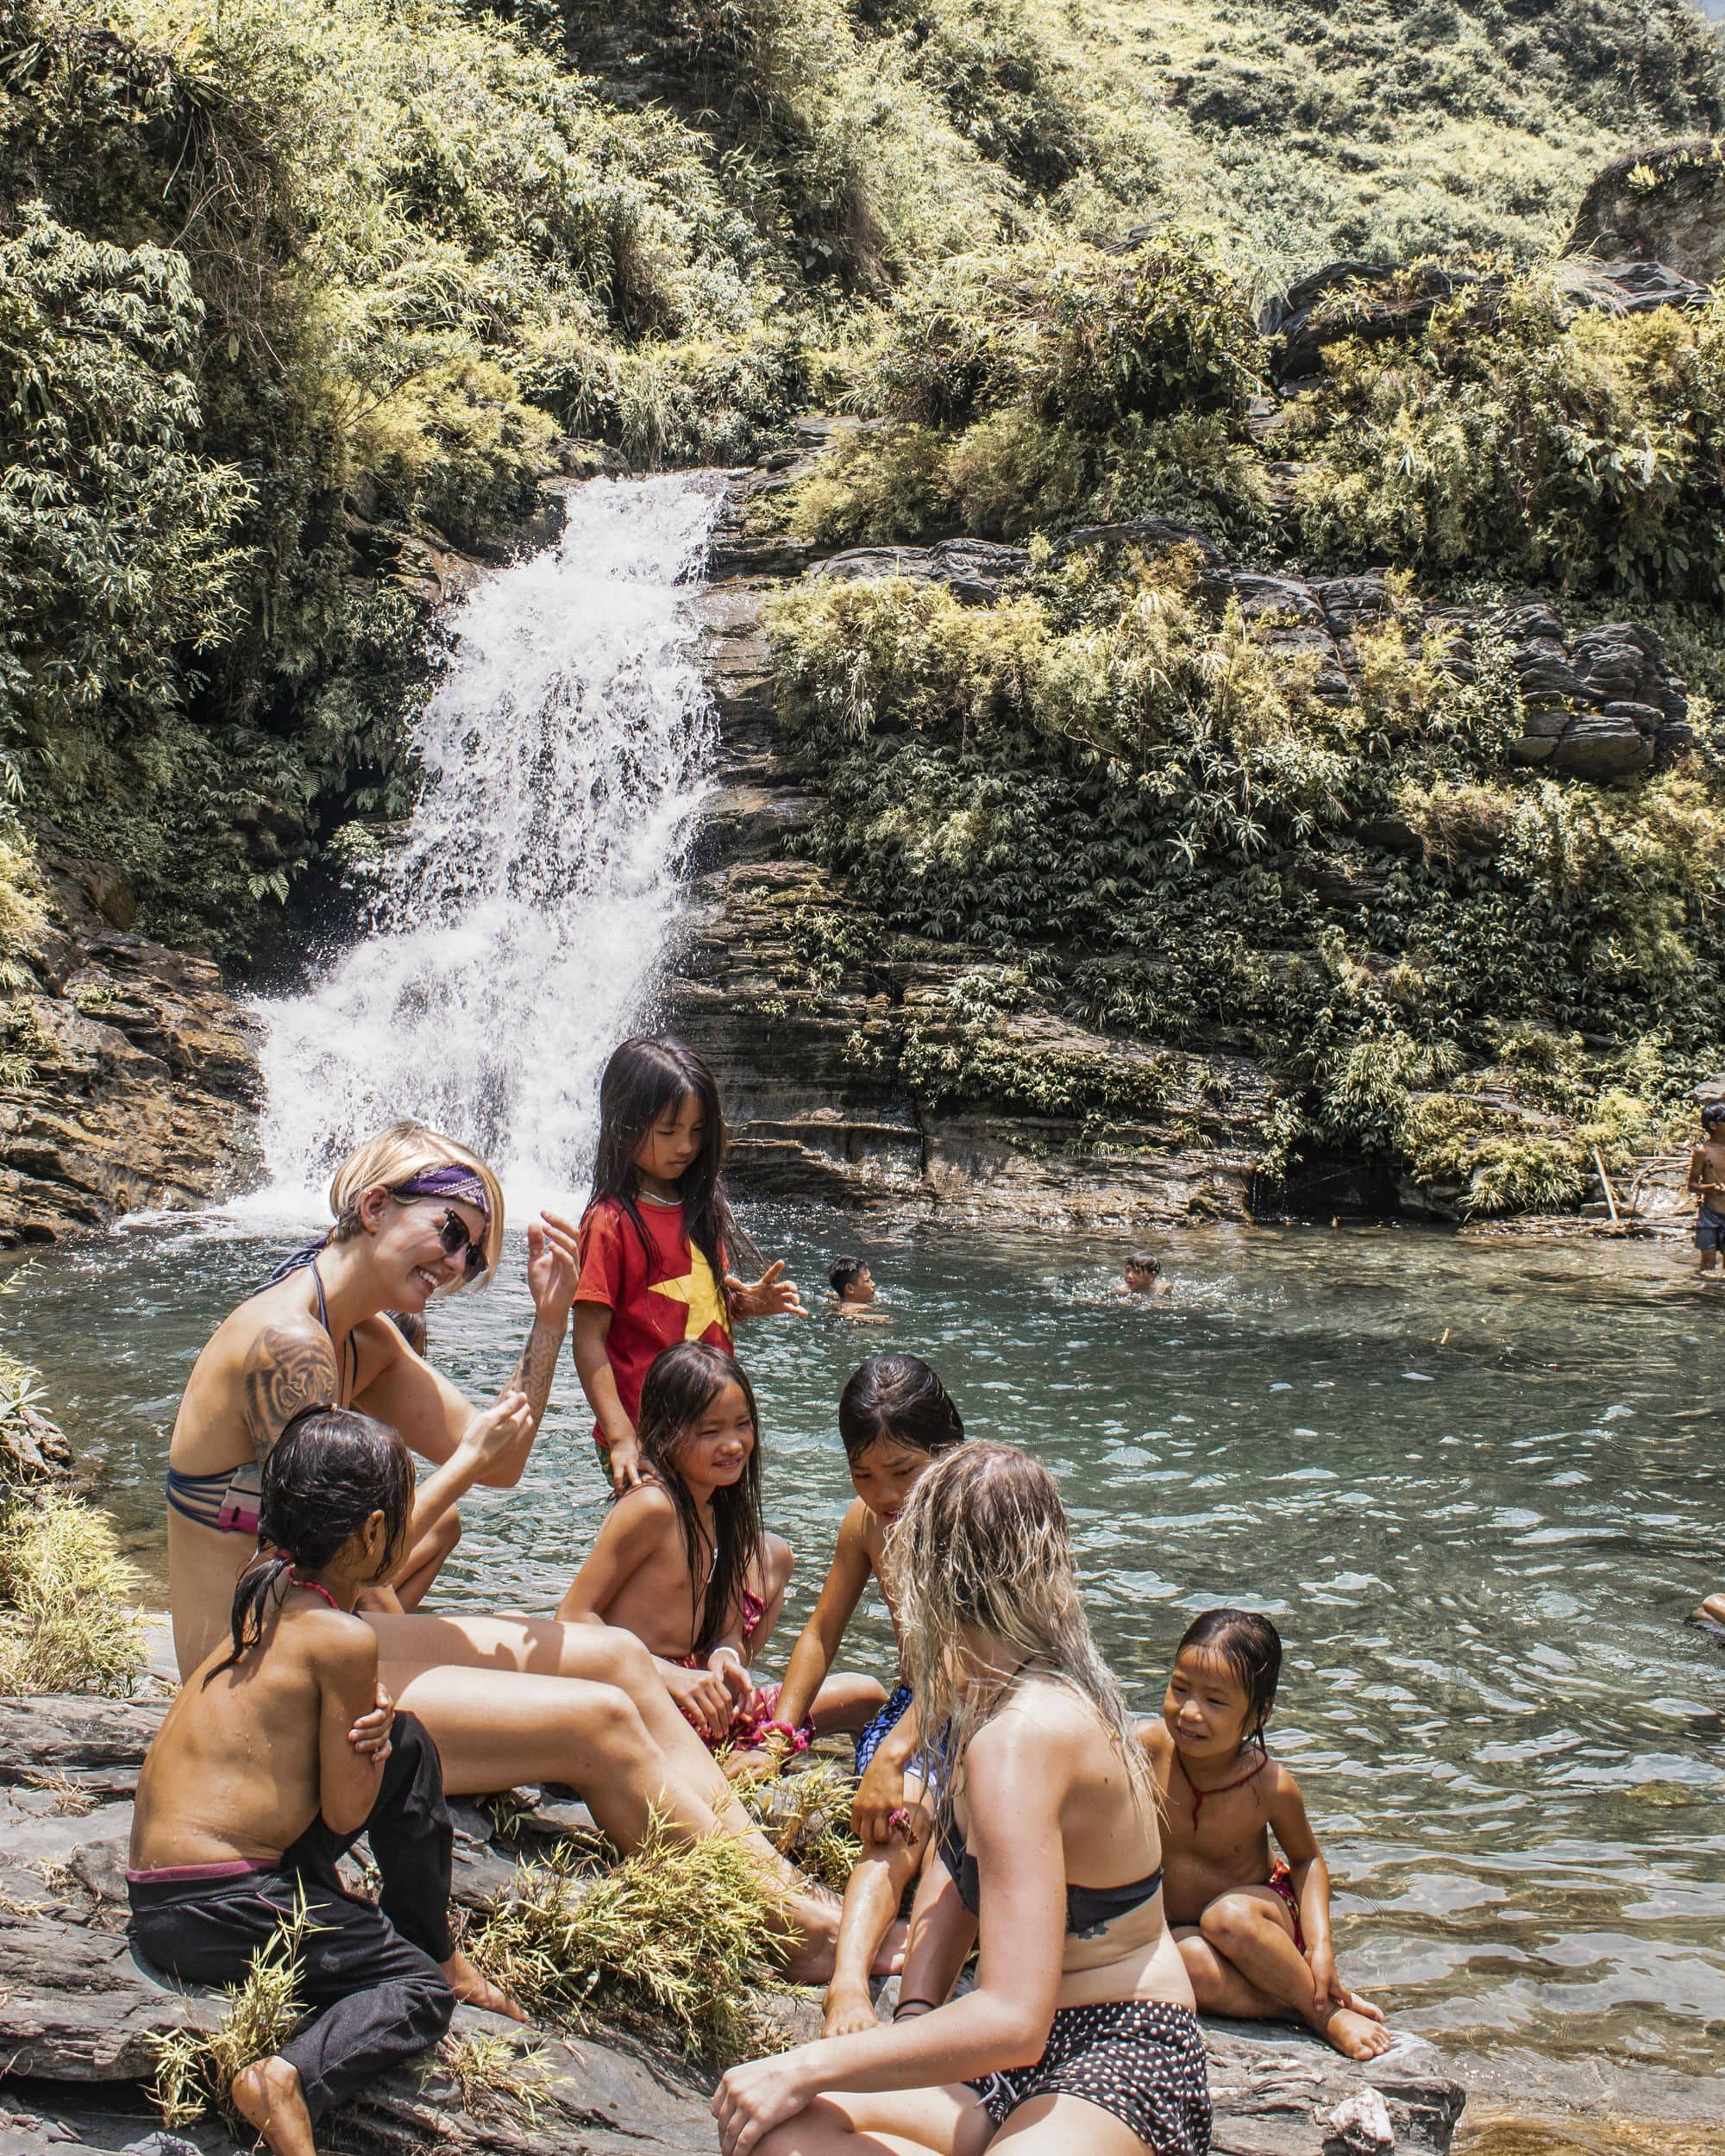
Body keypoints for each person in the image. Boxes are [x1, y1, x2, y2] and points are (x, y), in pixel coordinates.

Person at [165, 1120, 857, 1980]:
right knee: (593, 1721)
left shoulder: (358, 1339)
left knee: (613, 1656)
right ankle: (786, 1932)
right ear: (375, 1206)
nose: (457, 1264)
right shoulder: (289, 1347)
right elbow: (340, 1561)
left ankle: (779, 1882)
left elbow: (503, 1462)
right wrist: (458, 1466)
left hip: (313, 1642)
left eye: (474, 1255)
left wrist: (549, 1319)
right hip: (253, 1680)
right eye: (451, 1232)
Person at [712, 1444, 1211, 2156]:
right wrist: (913, 2014)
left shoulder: (1023, 1736)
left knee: (786, 2095)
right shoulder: (1003, 1689)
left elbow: (1012, 2018)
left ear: (927, 1574)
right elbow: (958, 1875)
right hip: (1013, 2065)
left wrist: (808, 2061)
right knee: (777, 2129)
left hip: (1117, 2055)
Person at [131, 1407, 521, 2156]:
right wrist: (368, 1741)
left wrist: (378, 1731)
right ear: (373, 1534)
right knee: (417, 1995)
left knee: (403, 1739)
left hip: (165, 1890)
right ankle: (284, 2079)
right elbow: (348, 1805)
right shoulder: (342, 1638)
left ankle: (425, 1937)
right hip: (219, 1905)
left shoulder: (258, 1586)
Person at [557, 1341, 882, 1768]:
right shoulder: (652, 1508)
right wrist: (669, 1675)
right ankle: (732, 1766)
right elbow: (572, 1619)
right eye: (710, 1432)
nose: (732, 1445)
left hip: (702, 1698)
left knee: (867, 1694)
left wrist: (726, 1657)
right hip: (639, 1700)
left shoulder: (717, 1509)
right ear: (665, 1434)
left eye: (742, 1425)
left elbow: (725, 1629)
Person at [767, 1354, 966, 2039]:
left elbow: (964, 1663)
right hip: (918, 1702)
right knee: (897, 1827)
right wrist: (779, 1736)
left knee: (933, 1818)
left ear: (950, 1452)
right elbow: (822, 1632)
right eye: (864, 1474)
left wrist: (893, 1756)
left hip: (988, 1713)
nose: (885, 1493)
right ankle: (847, 1986)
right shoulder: (866, 1523)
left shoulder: (975, 1519)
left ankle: (916, 1994)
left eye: (904, 1472)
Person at [1142, 1608, 1389, 2062]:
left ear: (1258, 1714)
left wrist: (1320, 1946)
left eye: (1216, 1702)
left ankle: (1324, 2016)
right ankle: (1289, 2007)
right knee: (1183, 1961)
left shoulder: (1269, 1785)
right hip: (1186, 1932)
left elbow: (1307, 1861)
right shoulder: (1146, 1751)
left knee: (1227, 1918)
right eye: (1179, 1688)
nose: (1190, 1712)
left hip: (1259, 1923)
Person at [572, 1035, 806, 1497]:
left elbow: (690, 1306)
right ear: (624, 1125)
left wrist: (742, 1304)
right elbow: (588, 1338)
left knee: (713, 1558)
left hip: (717, 1428)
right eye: (668, 1132)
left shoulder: (699, 1207)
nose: (685, 1146)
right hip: (650, 1435)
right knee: (662, 1555)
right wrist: (621, 1437)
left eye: (698, 1131)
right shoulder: (610, 1222)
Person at [1686, 1101, 1725, 1275]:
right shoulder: (1703, 1152)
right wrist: (1712, 1188)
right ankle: (1703, 1298)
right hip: (1710, 1215)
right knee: (1707, 1265)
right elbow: (1692, 1185)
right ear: (1713, 1125)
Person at [829, 1258, 888, 1324]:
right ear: (850, 1289)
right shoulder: (853, 1307)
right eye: (867, 1281)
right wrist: (868, 1318)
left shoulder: (839, 1300)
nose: (873, 1284)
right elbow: (843, 1313)